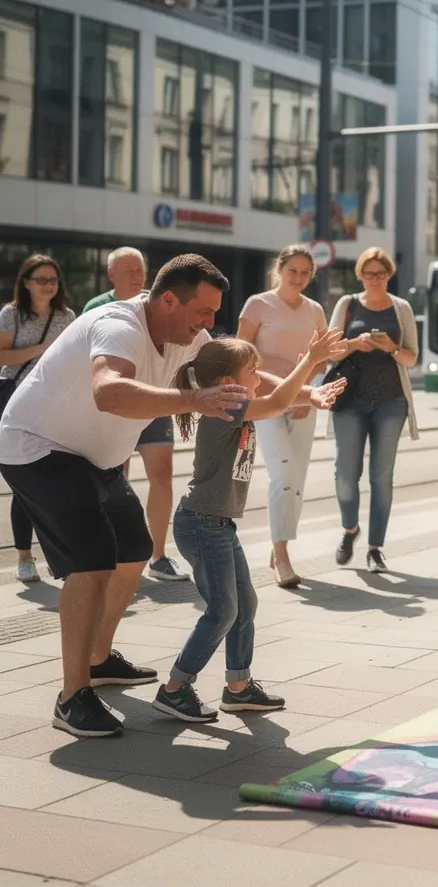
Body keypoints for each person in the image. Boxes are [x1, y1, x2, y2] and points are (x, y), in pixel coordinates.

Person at [0, 255, 249, 738]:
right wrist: (191, 400)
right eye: (204, 311)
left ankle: (97, 658)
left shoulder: (188, 338)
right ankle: (72, 698)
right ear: (169, 299)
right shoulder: (119, 325)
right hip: (39, 445)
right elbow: (108, 391)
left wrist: (307, 384)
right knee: (91, 562)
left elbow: (242, 374)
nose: (209, 324)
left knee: (134, 549)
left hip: (99, 457)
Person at [152, 331, 345, 722]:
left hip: (216, 524)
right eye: (252, 369)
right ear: (228, 382)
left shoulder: (234, 400)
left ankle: (238, 688)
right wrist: (309, 359)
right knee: (223, 610)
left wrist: (309, 394)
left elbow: (276, 397)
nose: (259, 375)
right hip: (203, 523)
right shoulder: (228, 404)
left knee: (243, 605)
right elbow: (276, 402)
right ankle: (174, 688)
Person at [84, 247, 187, 582]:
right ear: (111, 274)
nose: (136, 275)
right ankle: (118, 551)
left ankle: (158, 555)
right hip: (117, 406)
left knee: (163, 472)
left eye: (140, 269)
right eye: (128, 269)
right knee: (117, 478)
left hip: (155, 401)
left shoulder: (158, 305)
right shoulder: (97, 308)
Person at [237, 245, 328, 588]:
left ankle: (281, 549)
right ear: (280, 268)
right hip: (266, 398)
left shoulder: (315, 309)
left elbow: (321, 357)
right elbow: (240, 351)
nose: (299, 278)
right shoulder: (258, 304)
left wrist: (307, 391)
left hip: (303, 400)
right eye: (293, 270)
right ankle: (282, 556)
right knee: (284, 471)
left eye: (306, 272)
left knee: (298, 480)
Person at [328, 248, 420, 574]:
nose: (375, 279)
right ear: (360, 276)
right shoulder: (347, 304)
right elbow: (329, 351)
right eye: (369, 274)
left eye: (381, 273)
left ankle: (375, 548)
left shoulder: (401, 308)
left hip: (390, 402)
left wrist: (391, 348)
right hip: (349, 401)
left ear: (389, 275)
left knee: (381, 477)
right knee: (344, 475)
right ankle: (350, 529)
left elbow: (412, 357)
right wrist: (355, 343)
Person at [0, 255, 76, 582]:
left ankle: (54, 553)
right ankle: (24, 557)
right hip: (16, 403)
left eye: (53, 280)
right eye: (41, 279)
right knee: (25, 483)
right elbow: (2, 356)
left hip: (54, 403)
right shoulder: (11, 313)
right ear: (26, 282)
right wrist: (43, 348)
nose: (48, 285)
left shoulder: (68, 316)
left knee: (54, 483)